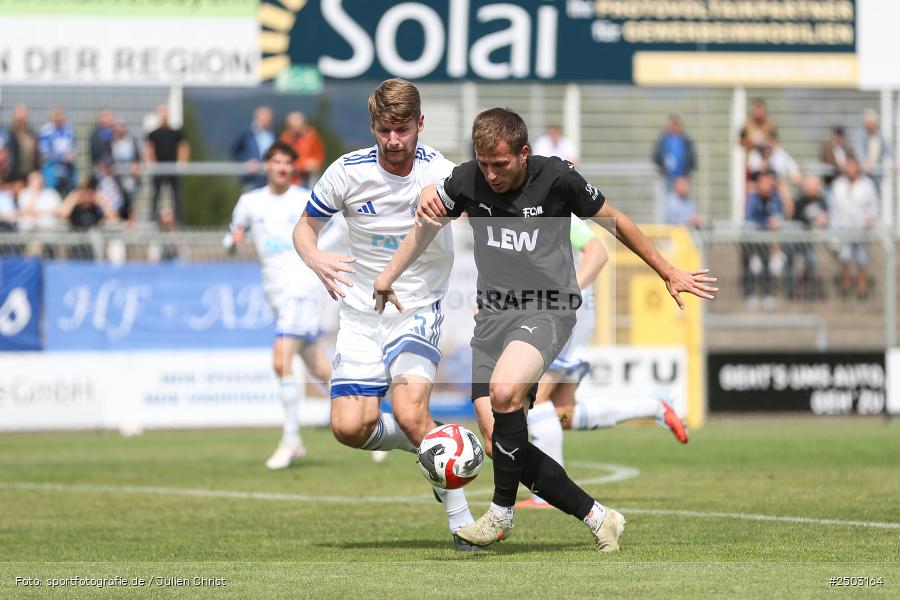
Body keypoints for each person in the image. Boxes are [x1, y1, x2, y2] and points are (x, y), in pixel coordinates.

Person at [375, 107, 716, 551]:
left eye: (501, 165)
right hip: (492, 316)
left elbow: (616, 221)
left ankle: (500, 515)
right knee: (499, 441)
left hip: (548, 309)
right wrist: (388, 276)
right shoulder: (466, 180)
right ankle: (599, 517)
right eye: (484, 164)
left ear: (524, 153)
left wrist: (668, 270)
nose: (492, 175)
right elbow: (426, 225)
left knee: (503, 392)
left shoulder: (557, 178)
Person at [292, 79, 476, 550]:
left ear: (420, 124)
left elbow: (478, 212)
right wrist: (315, 259)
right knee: (349, 428)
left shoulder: (440, 171)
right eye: (384, 130)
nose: (393, 141)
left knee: (412, 410)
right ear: (373, 126)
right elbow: (304, 229)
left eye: (402, 130)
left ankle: (464, 525)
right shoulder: (346, 172)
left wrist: (453, 206)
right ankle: (433, 445)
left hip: (417, 305)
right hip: (359, 311)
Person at [516, 217, 687, 510]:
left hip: (566, 317)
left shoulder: (558, 211)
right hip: (566, 315)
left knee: (534, 399)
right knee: (561, 414)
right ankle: (654, 406)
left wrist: (566, 295)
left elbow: (597, 252)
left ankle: (546, 494)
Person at [226, 141, 336, 469]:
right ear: (267, 166)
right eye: (276, 161)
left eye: (288, 162)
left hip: (301, 288)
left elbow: (338, 227)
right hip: (275, 293)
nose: (282, 167)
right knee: (318, 367)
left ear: (294, 167)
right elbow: (232, 237)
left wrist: (314, 255)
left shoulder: (305, 198)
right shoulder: (249, 202)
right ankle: (371, 414)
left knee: (281, 358)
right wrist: (232, 243)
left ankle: (291, 440)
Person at [830, 156, 879, 299]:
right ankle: (846, 284)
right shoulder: (838, 185)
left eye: (852, 166)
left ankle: (861, 287)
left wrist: (870, 219)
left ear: (857, 167)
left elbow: (874, 206)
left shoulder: (867, 185)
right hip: (843, 227)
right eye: (848, 166)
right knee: (845, 256)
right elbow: (834, 209)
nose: (850, 169)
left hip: (861, 227)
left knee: (862, 258)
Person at [742, 170, 785, 309]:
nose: (766, 185)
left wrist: (776, 223)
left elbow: (781, 216)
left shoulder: (776, 197)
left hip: (768, 241)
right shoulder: (752, 198)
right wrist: (766, 224)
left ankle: (767, 294)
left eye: (768, 181)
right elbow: (750, 220)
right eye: (763, 182)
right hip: (751, 241)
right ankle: (749, 294)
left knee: (768, 266)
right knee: (750, 266)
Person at [785, 175, 828, 301]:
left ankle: (802, 287)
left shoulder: (821, 200)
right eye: (812, 185)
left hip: (809, 242)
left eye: (816, 185)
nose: (816, 188)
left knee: (811, 262)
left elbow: (826, 214)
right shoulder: (799, 201)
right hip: (794, 240)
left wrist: (823, 219)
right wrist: (814, 220)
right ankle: (791, 292)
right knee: (790, 263)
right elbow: (797, 216)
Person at [145, 105, 189, 223]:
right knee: (155, 195)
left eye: (165, 112)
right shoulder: (153, 134)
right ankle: (152, 221)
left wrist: (182, 162)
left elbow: (184, 146)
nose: (164, 115)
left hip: (173, 168)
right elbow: (148, 148)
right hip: (159, 168)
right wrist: (151, 163)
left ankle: (180, 222)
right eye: (162, 112)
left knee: (177, 196)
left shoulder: (176, 132)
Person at [232, 106, 275, 192]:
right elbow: (235, 151)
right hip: (252, 179)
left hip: (269, 178)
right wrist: (246, 161)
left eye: (269, 118)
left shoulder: (273, 133)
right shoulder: (246, 133)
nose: (268, 121)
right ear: (257, 117)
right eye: (266, 118)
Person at [279, 111, 326, 187]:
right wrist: (302, 165)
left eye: (298, 126)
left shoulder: (312, 137)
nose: (296, 129)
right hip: (290, 180)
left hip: (308, 178)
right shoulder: (285, 139)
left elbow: (318, 158)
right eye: (292, 127)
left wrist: (314, 164)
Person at [38, 107, 77, 196]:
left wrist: (71, 155)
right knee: (52, 194)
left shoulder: (68, 130)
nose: (59, 118)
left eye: (60, 115)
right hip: (51, 170)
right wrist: (61, 157)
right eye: (56, 115)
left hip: (67, 170)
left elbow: (73, 146)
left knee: (70, 192)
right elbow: (44, 151)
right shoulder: (46, 131)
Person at [652, 114, 696, 189]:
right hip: (668, 176)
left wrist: (688, 171)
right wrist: (662, 167)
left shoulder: (685, 140)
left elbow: (691, 156)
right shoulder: (663, 140)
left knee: (681, 198)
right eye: (673, 124)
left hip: (682, 177)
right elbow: (656, 155)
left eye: (676, 124)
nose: (674, 126)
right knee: (669, 198)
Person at [854, 109, 894, 188]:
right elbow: (858, 150)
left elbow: (888, 149)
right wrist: (864, 162)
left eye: (872, 123)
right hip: (863, 174)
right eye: (868, 123)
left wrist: (893, 162)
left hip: (877, 173)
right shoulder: (860, 135)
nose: (870, 125)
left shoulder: (880, 135)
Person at [110, 120, 142, 216]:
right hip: (116, 178)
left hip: (130, 177)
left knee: (131, 201)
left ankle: (131, 222)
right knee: (117, 202)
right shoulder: (111, 142)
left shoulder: (131, 141)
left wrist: (136, 167)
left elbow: (137, 157)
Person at [8, 104, 38, 184]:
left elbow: (36, 154)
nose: (21, 118)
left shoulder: (31, 134)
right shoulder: (9, 133)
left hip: (29, 173)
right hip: (13, 175)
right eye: (19, 115)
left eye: (23, 116)